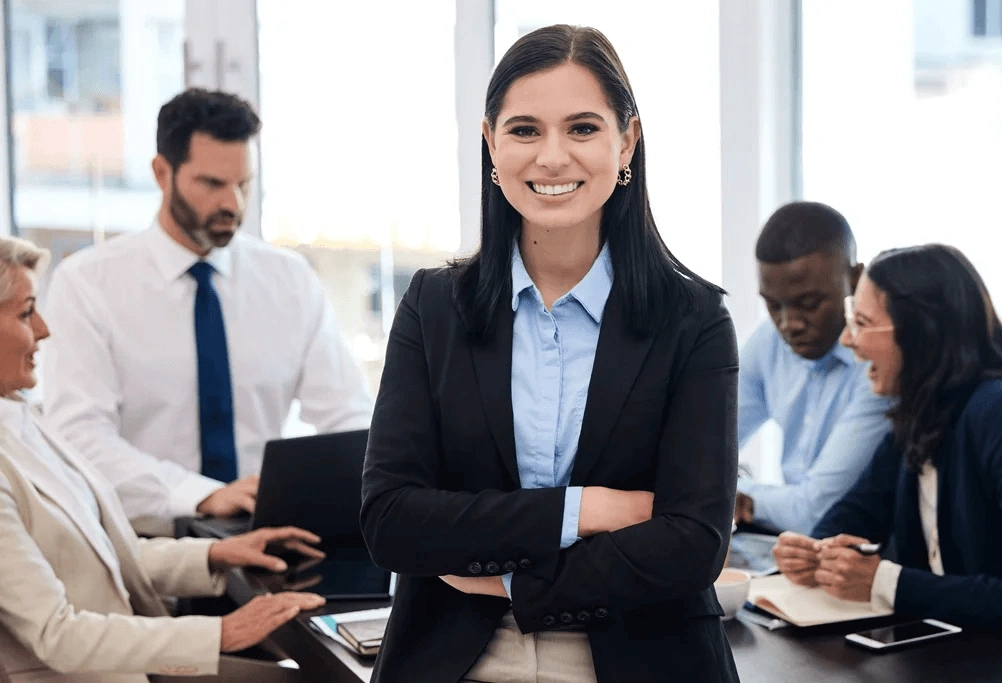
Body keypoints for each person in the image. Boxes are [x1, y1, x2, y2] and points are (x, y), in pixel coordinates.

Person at [361, 25, 740, 683]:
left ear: (627, 141)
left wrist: (519, 587)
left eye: (583, 128)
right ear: (491, 143)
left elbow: (692, 543)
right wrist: (586, 509)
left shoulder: (695, 321)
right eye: (526, 129)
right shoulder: (433, 306)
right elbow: (392, 520)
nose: (553, 157)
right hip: (452, 655)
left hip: (643, 658)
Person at [42, 88, 373, 535]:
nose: (232, 204)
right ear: (163, 173)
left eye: (243, 184)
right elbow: (78, 439)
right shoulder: (86, 284)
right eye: (212, 184)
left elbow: (349, 418)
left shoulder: (289, 280)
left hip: (265, 537)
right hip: (142, 546)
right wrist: (199, 493)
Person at [0, 236, 328, 682]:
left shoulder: (24, 420)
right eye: (25, 312)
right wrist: (223, 633)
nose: (43, 328)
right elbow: (57, 634)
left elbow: (103, 556)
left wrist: (216, 553)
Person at [772, 244, 1002, 631]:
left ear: (920, 331)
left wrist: (884, 582)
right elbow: (856, 512)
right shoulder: (920, 413)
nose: (847, 340)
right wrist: (814, 553)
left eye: (862, 322)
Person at [735, 201, 891, 535]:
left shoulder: (878, 365)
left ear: (855, 278)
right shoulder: (767, 344)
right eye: (773, 305)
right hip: (793, 546)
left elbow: (816, 511)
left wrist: (737, 494)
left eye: (809, 304)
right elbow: (697, 453)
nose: (789, 324)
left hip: (860, 549)